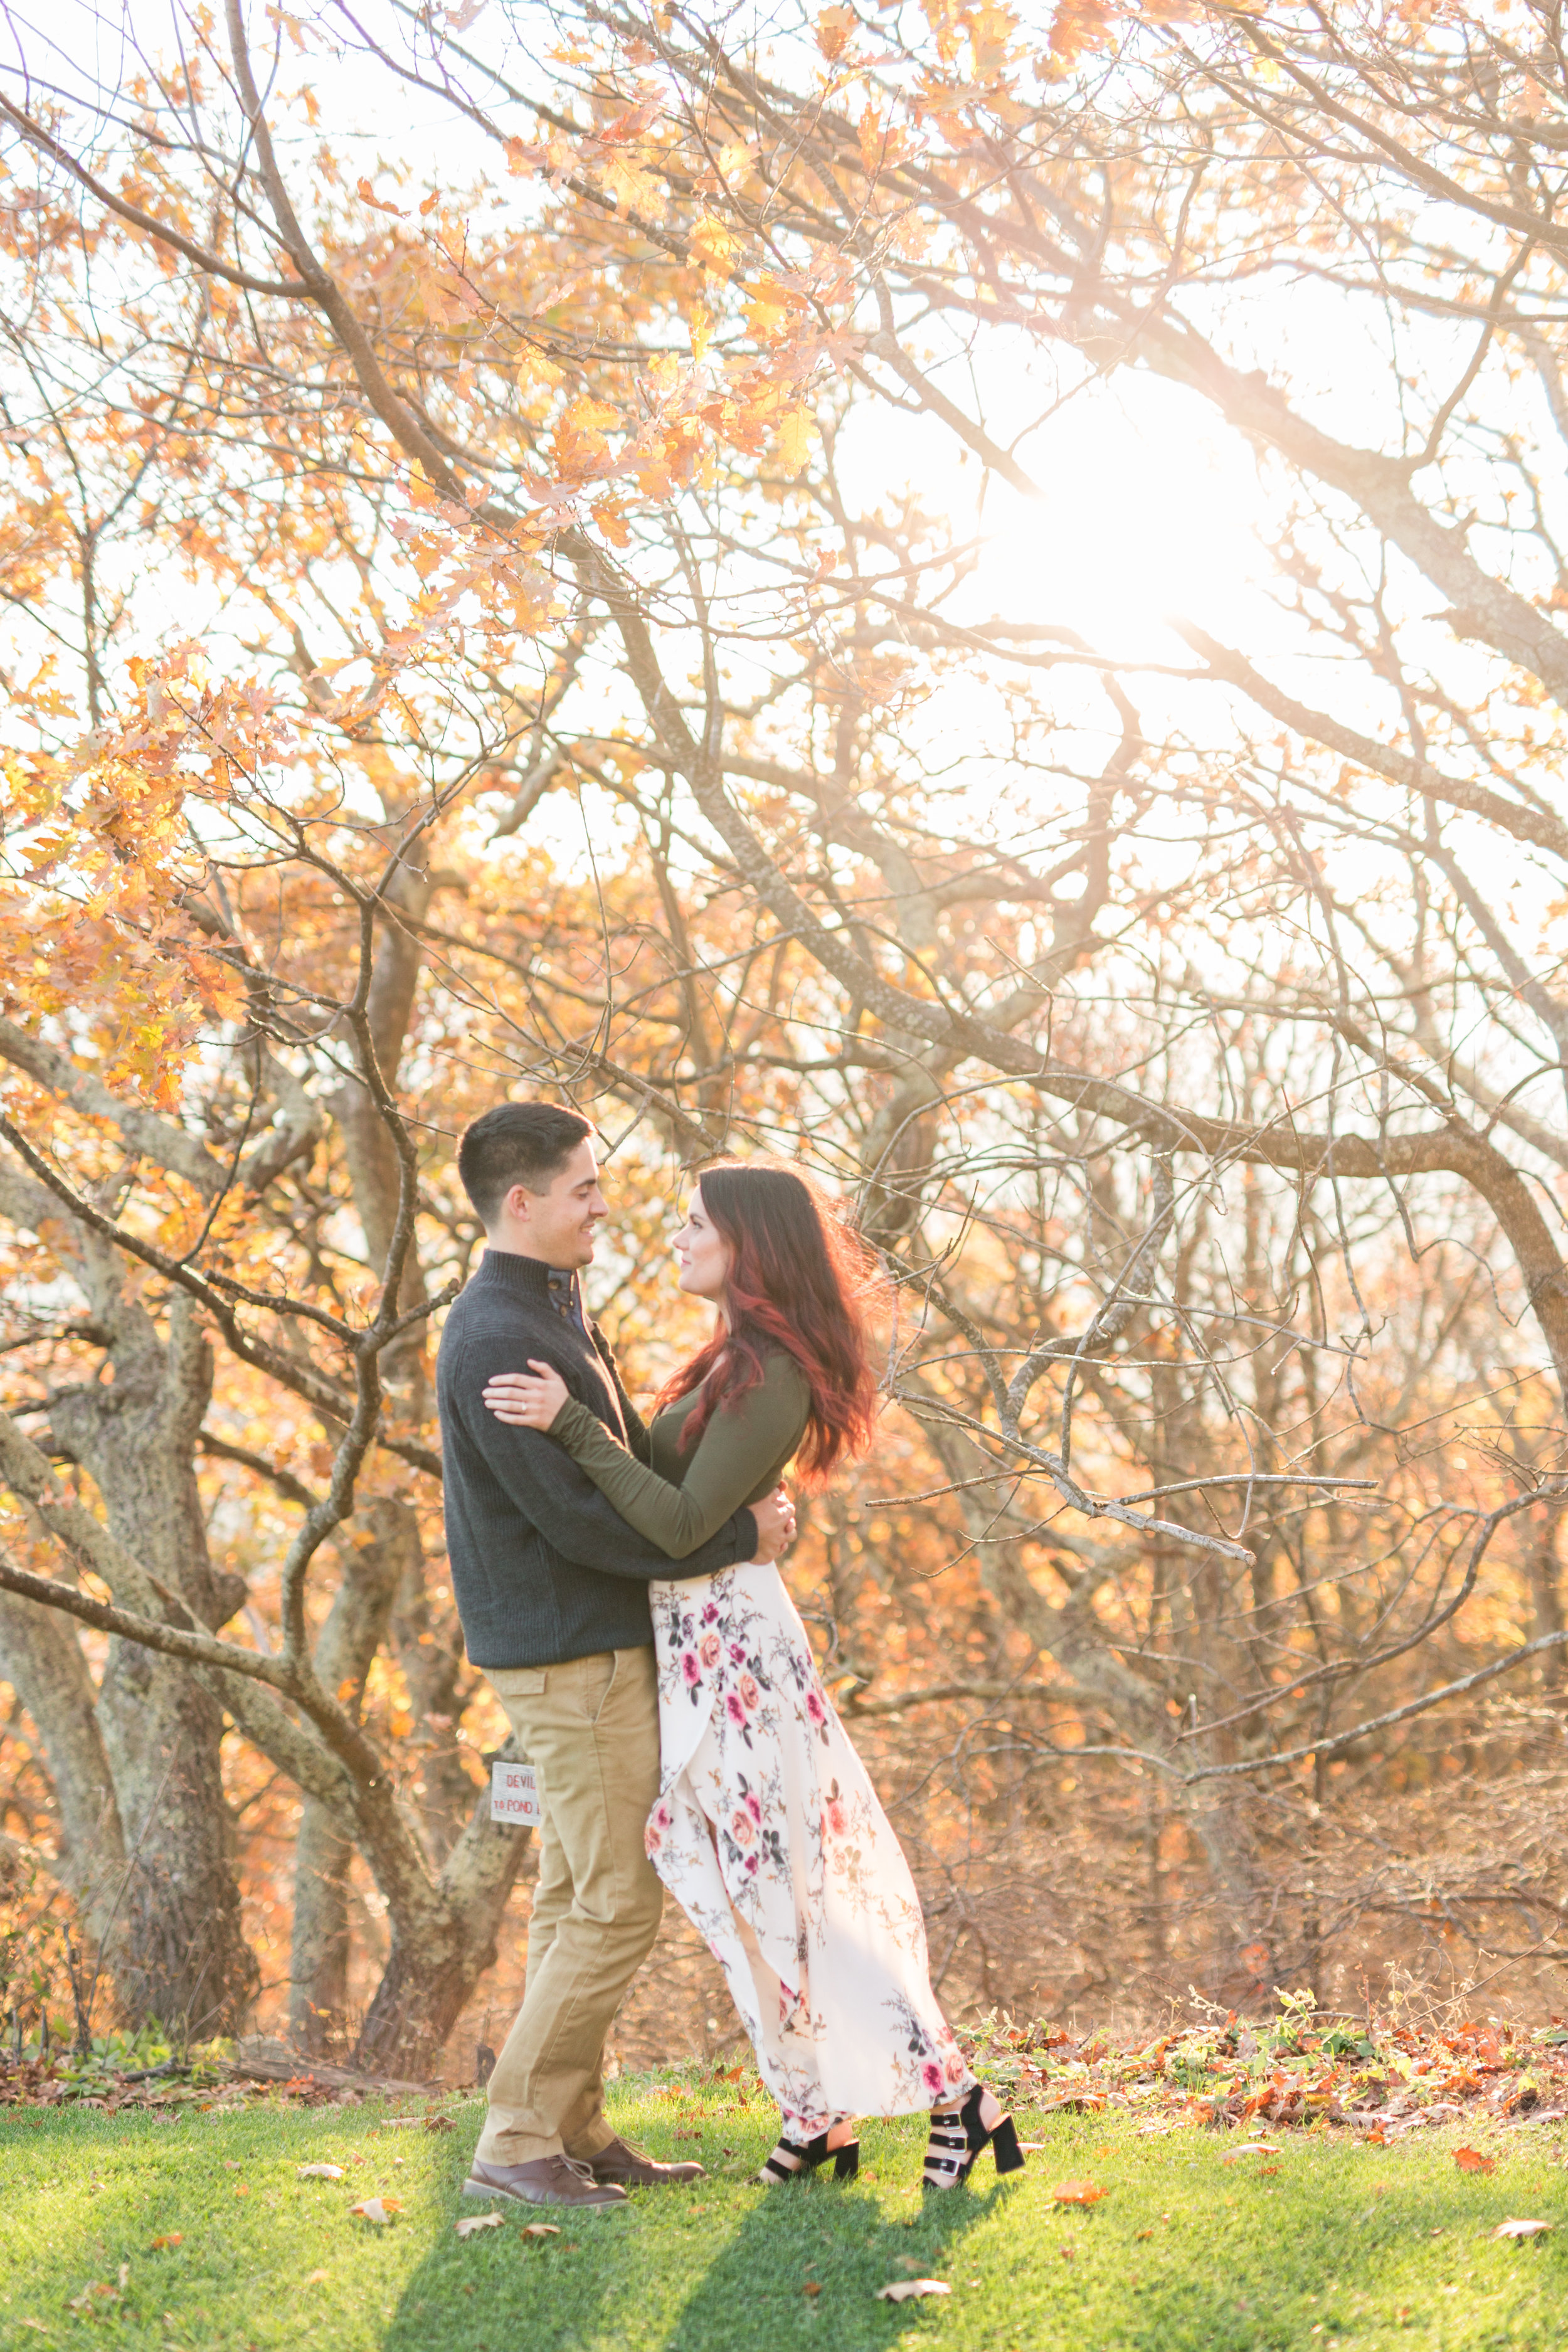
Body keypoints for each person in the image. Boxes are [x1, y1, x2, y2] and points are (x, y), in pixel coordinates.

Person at [482, 1160, 1025, 2193]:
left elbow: (681, 1520)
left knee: (793, 1887)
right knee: (737, 1890)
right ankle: (816, 2113)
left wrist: (569, 1422)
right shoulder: (727, 1358)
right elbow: (671, 1488)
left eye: (696, 1223)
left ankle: (958, 2098)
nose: (676, 1236)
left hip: (735, 1653)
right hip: (692, 1646)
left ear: (749, 1243)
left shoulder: (771, 1369)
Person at [437, 1103, 797, 2213]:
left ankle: (571, 2124)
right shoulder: (500, 1335)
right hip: (568, 1657)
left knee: (574, 1892)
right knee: (618, 1903)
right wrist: (742, 1536)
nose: (606, 1203)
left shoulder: (551, 1309)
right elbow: (580, 1524)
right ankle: (514, 2136)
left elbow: (615, 1476)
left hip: (587, 1645)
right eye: (586, 1187)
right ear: (523, 1202)